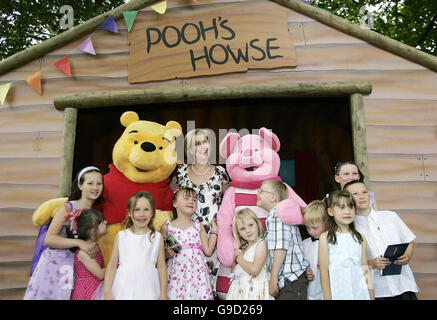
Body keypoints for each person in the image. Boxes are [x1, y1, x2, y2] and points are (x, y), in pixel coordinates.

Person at [24, 166, 103, 300]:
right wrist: (79, 242)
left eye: (99, 183)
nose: (95, 187)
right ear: (80, 185)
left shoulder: (95, 212)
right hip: (57, 264)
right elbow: (49, 239)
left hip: (77, 267)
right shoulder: (68, 207)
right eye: (90, 183)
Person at [170, 128, 229, 295]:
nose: (204, 146)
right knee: (187, 290)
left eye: (206, 141)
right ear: (190, 149)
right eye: (198, 143)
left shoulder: (220, 172)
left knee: (214, 289)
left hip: (215, 238)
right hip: (187, 243)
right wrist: (173, 245)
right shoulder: (180, 173)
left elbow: (231, 203)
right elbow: (168, 201)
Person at [344, 180, 420, 300]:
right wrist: (371, 263)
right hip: (377, 291)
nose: (362, 196)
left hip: (403, 284)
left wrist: (408, 255)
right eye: (356, 194)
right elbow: (348, 263)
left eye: (364, 192)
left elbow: (409, 241)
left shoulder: (390, 216)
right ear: (347, 199)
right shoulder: (350, 229)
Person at [104, 191, 167, 300]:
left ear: (152, 213)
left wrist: (163, 294)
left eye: (146, 209)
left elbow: (161, 267)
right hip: (123, 287)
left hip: (149, 289)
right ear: (129, 212)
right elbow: (112, 265)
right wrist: (107, 293)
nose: (141, 214)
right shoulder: (121, 236)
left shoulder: (157, 237)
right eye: (137, 209)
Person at [257, 179, 309, 300]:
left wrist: (274, 277)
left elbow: (281, 247)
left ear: (273, 197)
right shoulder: (280, 213)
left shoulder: (278, 213)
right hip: (291, 279)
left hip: (290, 278)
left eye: (261, 191)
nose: (257, 194)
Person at [161, 187, 216, 300]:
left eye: (195, 199)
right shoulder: (167, 227)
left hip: (197, 276)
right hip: (177, 275)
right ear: (175, 203)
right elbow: (164, 255)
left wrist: (214, 231)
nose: (191, 201)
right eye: (186, 198)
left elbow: (208, 251)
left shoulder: (198, 226)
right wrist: (167, 253)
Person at [318, 190, 374, 300]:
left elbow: (365, 269)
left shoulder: (360, 238)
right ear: (330, 211)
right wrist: (327, 297)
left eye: (351, 207)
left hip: (360, 294)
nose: (348, 211)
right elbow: (324, 272)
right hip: (338, 293)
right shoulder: (326, 238)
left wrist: (371, 295)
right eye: (342, 207)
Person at [226, 208, 273, 300]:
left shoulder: (261, 244)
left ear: (257, 224)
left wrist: (239, 259)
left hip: (254, 292)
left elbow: (255, 270)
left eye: (250, 225)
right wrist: (235, 261)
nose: (248, 230)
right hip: (241, 292)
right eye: (242, 228)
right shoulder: (244, 249)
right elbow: (235, 272)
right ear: (238, 233)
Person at [68, 209, 107, 300]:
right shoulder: (84, 252)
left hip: (95, 288)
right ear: (93, 231)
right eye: (102, 222)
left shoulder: (94, 246)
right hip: (87, 293)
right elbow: (100, 274)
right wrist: (114, 265)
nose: (106, 222)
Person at [301, 200, 328, 300]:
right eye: (307, 228)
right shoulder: (304, 244)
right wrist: (305, 271)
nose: (311, 232)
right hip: (310, 292)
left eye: (315, 227)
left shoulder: (332, 243)